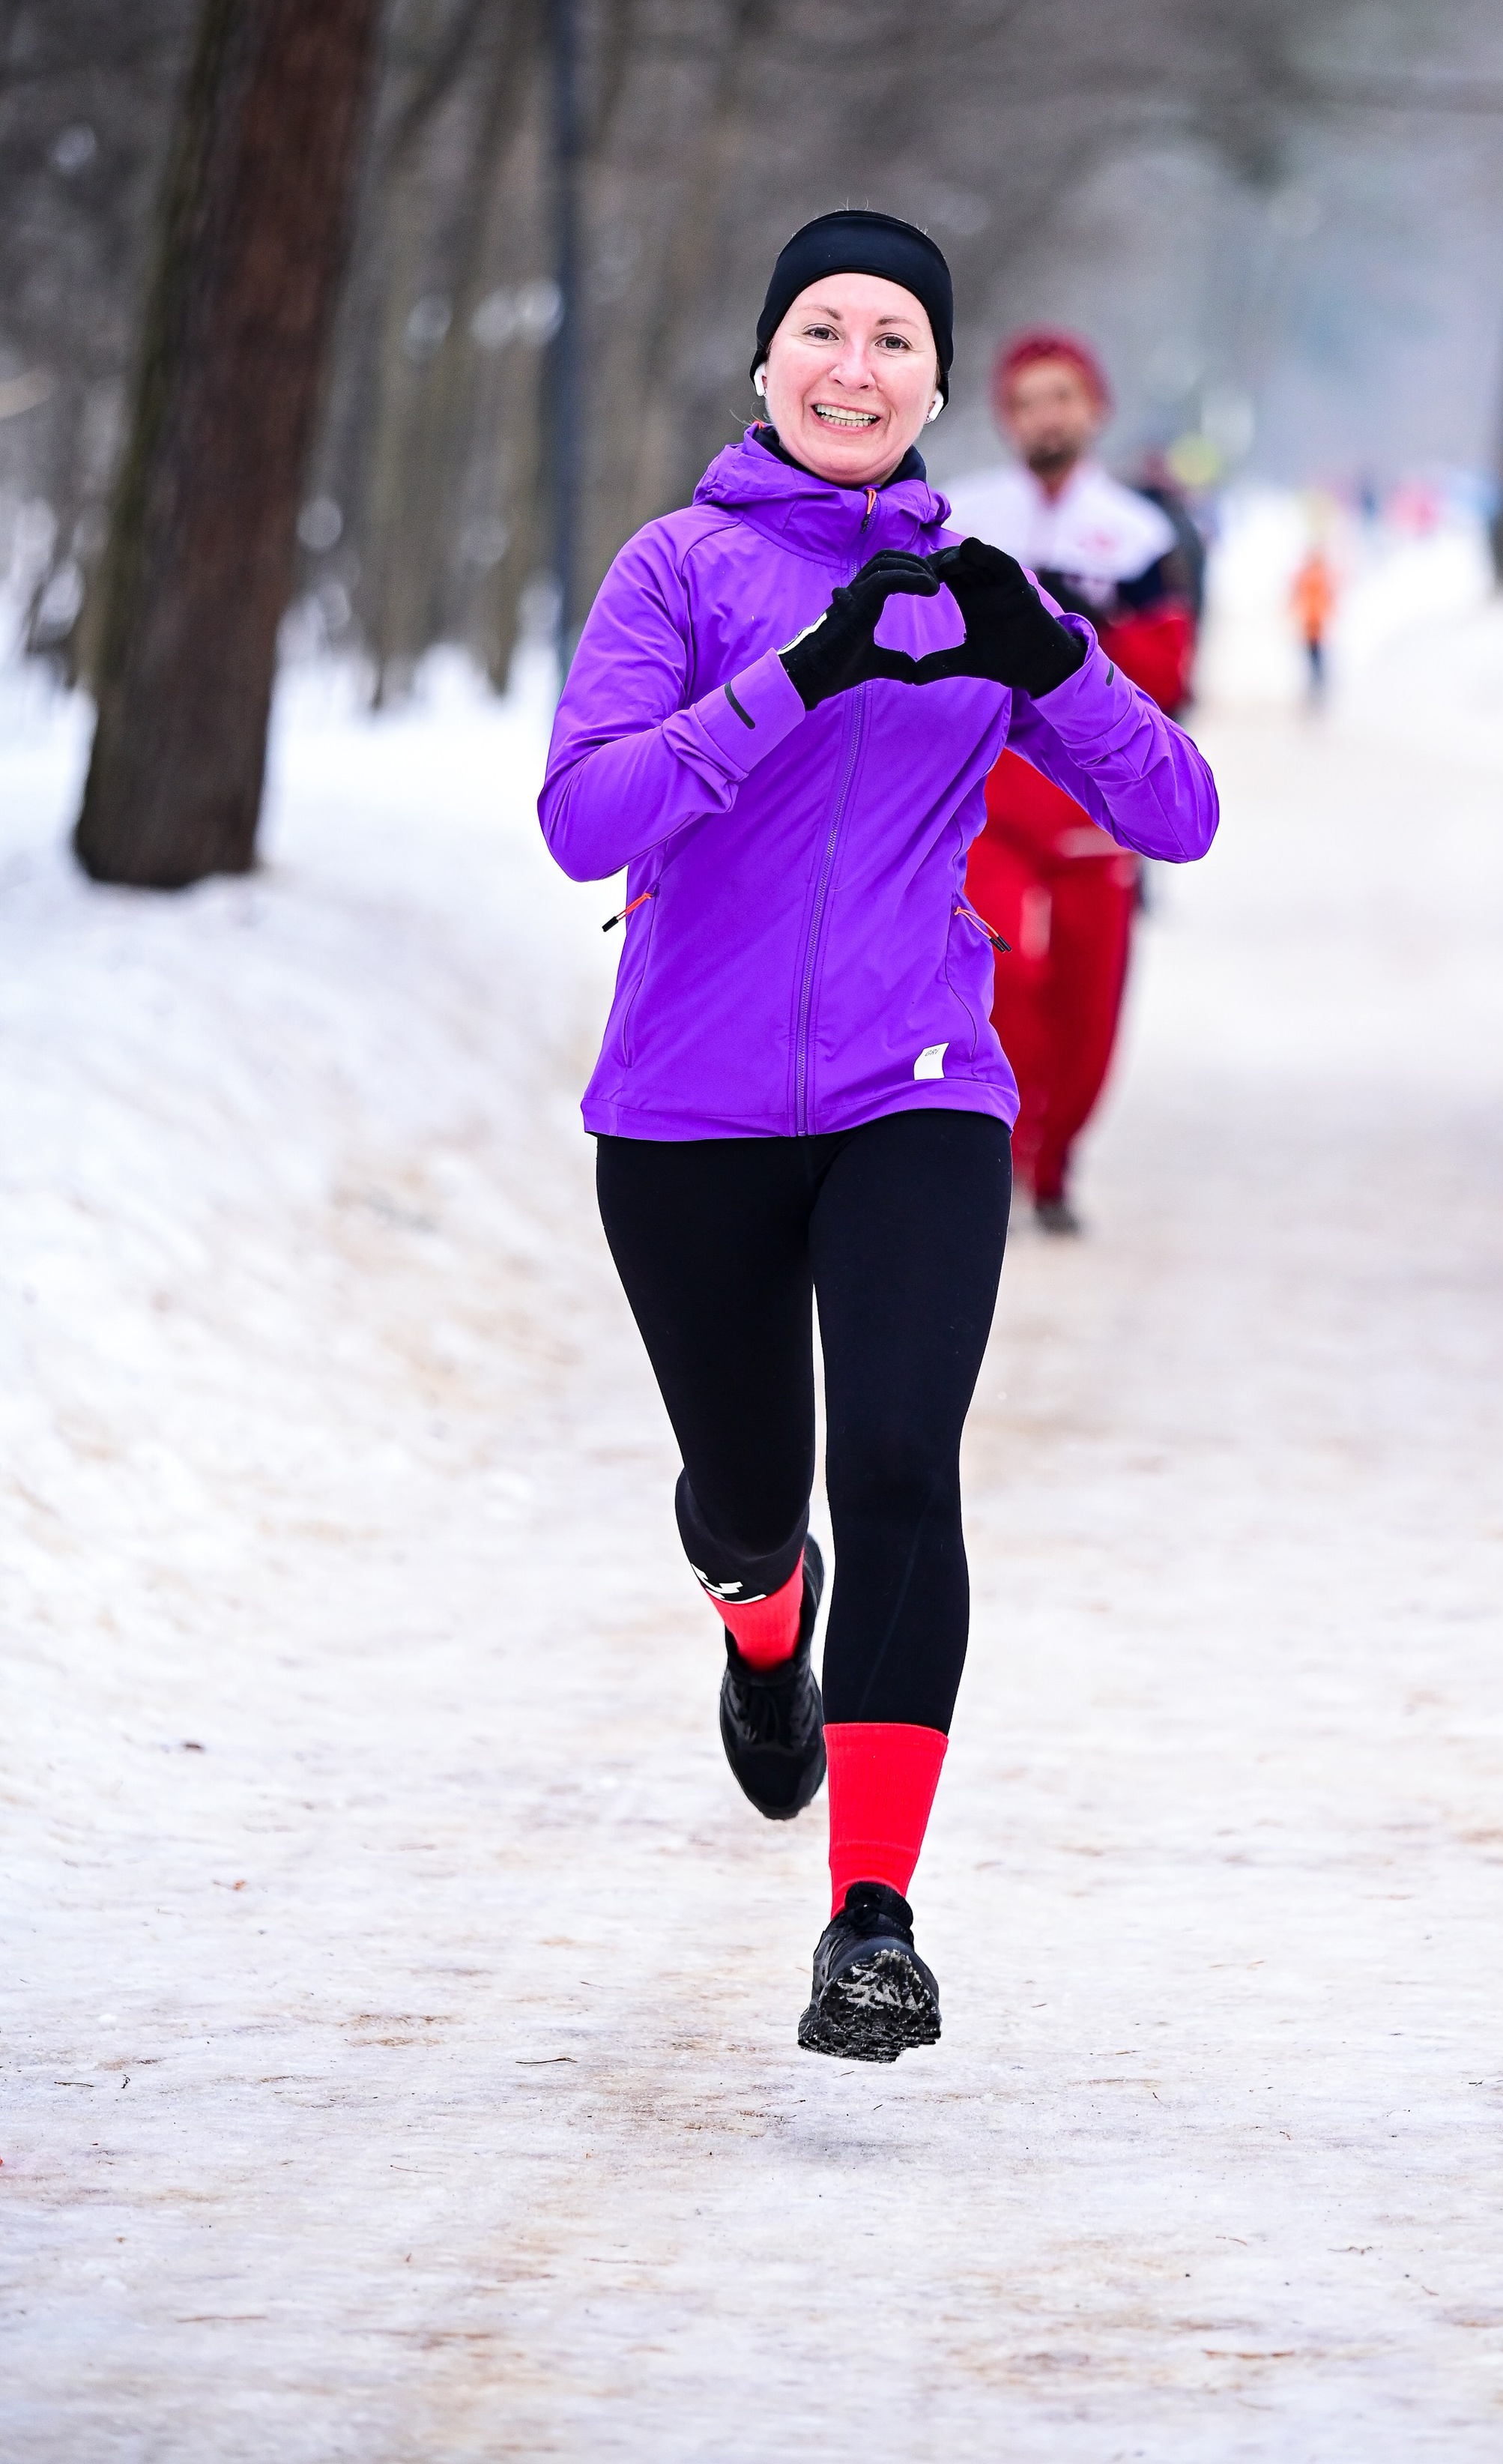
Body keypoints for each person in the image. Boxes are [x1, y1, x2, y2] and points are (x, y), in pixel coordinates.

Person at [539, 215, 1218, 2062]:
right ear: (766, 366)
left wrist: (1050, 665)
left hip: (918, 1085)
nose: (854, 364)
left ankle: (871, 1920)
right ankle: (766, 1632)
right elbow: (584, 820)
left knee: (902, 1461)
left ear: (934, 384)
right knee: (752, 1506)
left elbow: (1179, 809)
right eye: (821, 330)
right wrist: (794, 681)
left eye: (893, 338)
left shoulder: (984, 589)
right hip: (683, 1116)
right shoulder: (674, 569)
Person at [943, 330, 1199, 1234]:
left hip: (1095, 808)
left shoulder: (1139, 535)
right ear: (1005, 415)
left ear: (1094, 410)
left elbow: (1168, 673)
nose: (1045, 415)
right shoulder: (964, 518)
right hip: (992, 799)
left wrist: (1080, 642)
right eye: (1026, 399)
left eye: (1062, 397)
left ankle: (1057, 1161)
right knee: (1004, 972)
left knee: (1091, 998)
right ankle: (1002, 1145)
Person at [1289, 538, 1338, 705]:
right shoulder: (1317, 574)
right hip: (1312, 620)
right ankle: (1317, 684)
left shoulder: (1313, 574)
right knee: (1315, 657)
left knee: (1315, 657)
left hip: (1314, 620)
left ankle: (1317, 685)